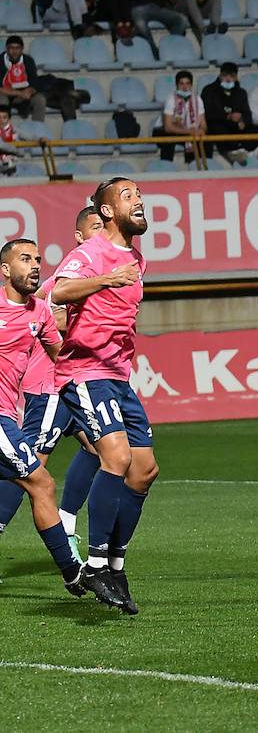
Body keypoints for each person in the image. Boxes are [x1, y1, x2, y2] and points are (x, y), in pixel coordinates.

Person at [53, 178, 162, 614]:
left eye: (139, 194)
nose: (138, 201)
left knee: (144, 470)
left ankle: (115, 563)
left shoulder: (137, 258)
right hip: (84, 372)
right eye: (128, 196)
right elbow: (56, 292)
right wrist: (105, 279)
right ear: (107, 212)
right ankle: (95, 563)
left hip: (118, 376)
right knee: (114, 459)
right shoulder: (90, 254)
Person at [6, 210, 105, 562]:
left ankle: (65, 520)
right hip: (49, 383)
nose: (104, 232)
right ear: (79, 236)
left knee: (99, 449)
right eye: (97, 227)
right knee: (30, 468)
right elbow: (52, 317)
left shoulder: (98, 273)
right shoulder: (67, 278)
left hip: (74, 381)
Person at [0, 239, 88, 600]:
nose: (34, 265)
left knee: (39, 483)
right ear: (6, 270)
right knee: (42, 483)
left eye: (37, 259)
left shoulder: (39, 312)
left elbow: (61, 357)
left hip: (8, 412)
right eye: (25, 259)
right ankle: (73, 573)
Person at [202, 62, 258, 165]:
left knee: (254, 129)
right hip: (218, 124)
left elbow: (247, 113)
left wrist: (243, 120)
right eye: (225, 75)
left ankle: (247, 152)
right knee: (216, 127)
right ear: (220, 75)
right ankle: (236, 151)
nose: (228, 79)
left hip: (236, 125)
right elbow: (207, 113)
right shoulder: (209, 90)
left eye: (232, 76)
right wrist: (228, 116)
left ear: (236, 77)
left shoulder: (241, 92)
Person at [153, 70, 205, 163]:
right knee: (169, 139)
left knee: (201, 139)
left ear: (191, 85)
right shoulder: (171, 99)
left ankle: (196, 168)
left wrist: (201, 131)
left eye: (187, 83)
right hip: (162, 131)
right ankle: (167, 167)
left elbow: (203, 123)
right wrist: (190, 132)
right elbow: (168, 127)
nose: (185, 87)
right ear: (176, 85)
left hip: (186, 131)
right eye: (181, 84)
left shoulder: (197, 99)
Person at [1, 36, 48, 123]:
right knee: (1, 100)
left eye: (17, 48)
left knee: (40, 99)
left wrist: (29, 91)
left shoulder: (28, 60)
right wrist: (19, 93)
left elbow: (35, 83)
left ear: (22, 49)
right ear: (6, 49)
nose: (14, 51)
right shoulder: (0, 61)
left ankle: (37, 129)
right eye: (11, 48)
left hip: (25, 93)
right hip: (7, 93)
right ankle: (4, 130)